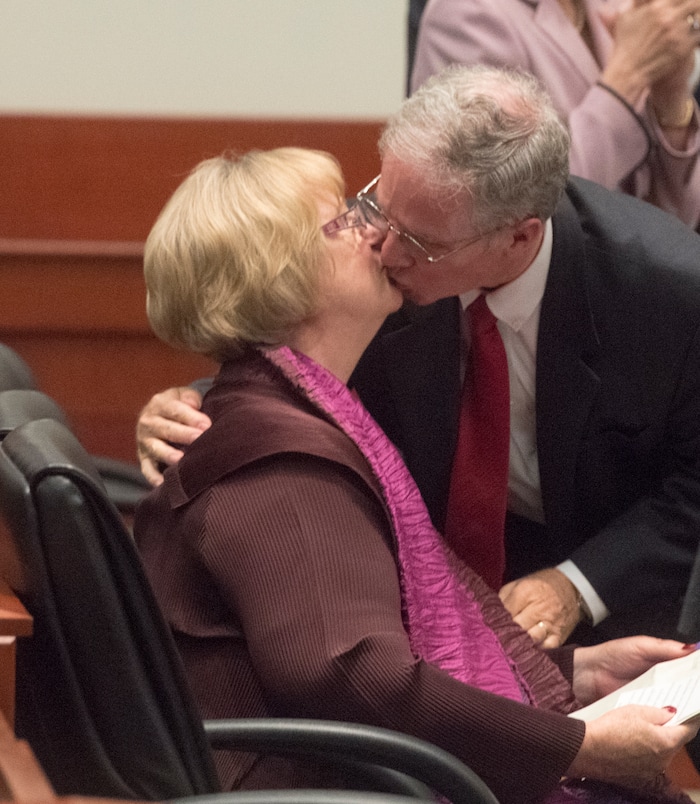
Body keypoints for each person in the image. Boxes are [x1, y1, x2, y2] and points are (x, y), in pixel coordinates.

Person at [134, 143, 699, 804]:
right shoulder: (277, 462)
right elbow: (354, 672)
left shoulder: (302, 411)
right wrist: (579, 746)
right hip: (333, 785)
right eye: (343, 222)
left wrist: (576, 671)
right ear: (282, 276)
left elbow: (383, 652)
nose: (376, 230)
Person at [136, 65, 700, 657]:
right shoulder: (395, 250)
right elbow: (300, 359)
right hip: (423, 603)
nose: (384, 247)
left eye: (421, 242)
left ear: (518, 237)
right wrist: (192, 404)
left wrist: (577, 586)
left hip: (615, 600)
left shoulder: (667, 298)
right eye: (377, 206)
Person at [411, 0, 700, 229]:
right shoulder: (464, 14)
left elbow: (681, 219)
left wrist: (672, 97)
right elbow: (520, 210)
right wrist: (628, 76)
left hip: (638, 277)